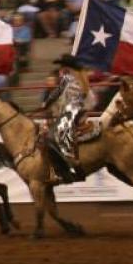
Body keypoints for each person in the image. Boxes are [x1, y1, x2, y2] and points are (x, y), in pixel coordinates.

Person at [42, 54, 91, 182]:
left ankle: (73, 169)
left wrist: (48, 103)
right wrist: (47, 102)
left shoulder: (72, 78)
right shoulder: (73, 77)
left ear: (67, 67)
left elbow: (62, 93)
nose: (60, 69)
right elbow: (58, 92)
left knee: (52, 138)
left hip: (74, 112)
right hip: (74, 110)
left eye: (62, 65)